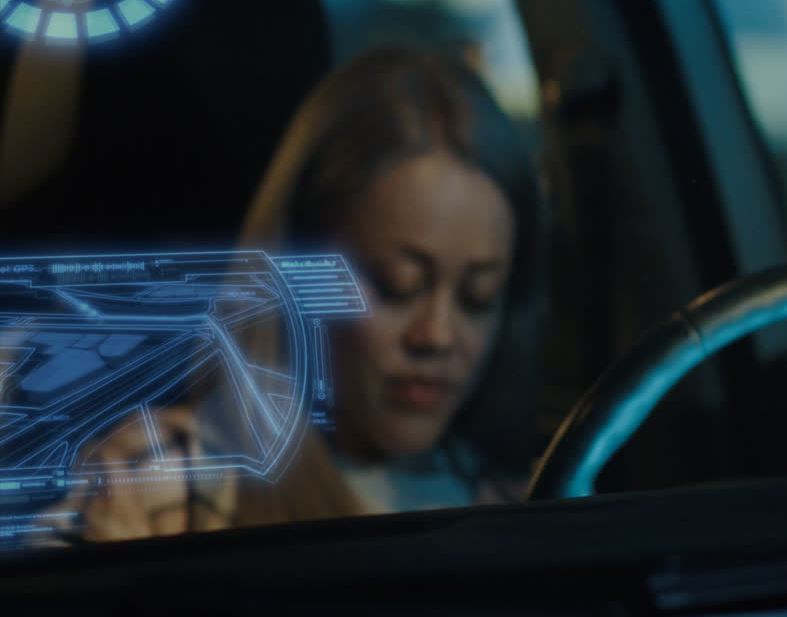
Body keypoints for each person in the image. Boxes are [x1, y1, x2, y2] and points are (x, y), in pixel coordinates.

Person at [46, 46, 547, 540]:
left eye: (478, 297)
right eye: (396, 286)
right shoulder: (162, 479)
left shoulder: (511, 503)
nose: (436, 335)